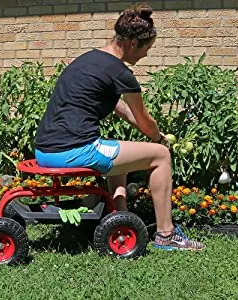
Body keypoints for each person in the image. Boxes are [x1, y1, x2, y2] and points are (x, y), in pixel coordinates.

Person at [34, 5, 205, 251]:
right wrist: (160, 139)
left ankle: (122, 218)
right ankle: (167, 235)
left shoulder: (90, 60)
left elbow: (121, 109)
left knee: (118, 151)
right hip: (72, 150)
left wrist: (152, 134)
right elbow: (144, 119)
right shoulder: (120, 73)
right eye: (146, 48)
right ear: (134, 42)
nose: (146, 55)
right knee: (161, 157)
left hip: (46, 149)